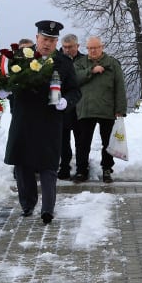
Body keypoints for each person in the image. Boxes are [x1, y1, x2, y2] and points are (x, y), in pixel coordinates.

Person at [4, 20, 80, 224]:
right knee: (23, 163)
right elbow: (5, 80)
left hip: (50, 119)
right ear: (37, 37)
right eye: (45, 39)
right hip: (24, 118)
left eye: (52, 40)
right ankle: (27, 204)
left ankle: (47, 209)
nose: (48, 44)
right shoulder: (20, 58)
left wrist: (66, 100)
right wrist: (3, 90)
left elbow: (75, 90)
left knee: (48, 165)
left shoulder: (64, 63)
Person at [73, 36, 126, 184]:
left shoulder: (112, 63)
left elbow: (119, 87)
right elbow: (75, 79)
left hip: (107, 109)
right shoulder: (80, 63)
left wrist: (120, 108)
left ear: (102, 47)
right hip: (86, 109)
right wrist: (92, 70)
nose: (93, 50)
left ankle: (107, 169)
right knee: (83, 142)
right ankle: (81, 170)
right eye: (90, 48)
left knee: (107, 143)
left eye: (96, 47)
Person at [57, 33, 84, 179]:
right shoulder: (57, 60)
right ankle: (64, 167)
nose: (67, 50)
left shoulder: (84, 60)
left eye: (70, 47)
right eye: (65, 47)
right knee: (63, 141)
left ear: (77, 46)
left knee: (81, 141)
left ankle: (81, 168)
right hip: (63, 106)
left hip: (79, 106)